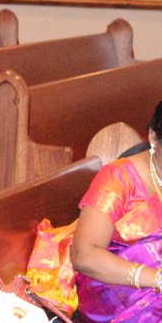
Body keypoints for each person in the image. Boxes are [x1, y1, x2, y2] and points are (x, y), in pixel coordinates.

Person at [71, 100, 162, 321]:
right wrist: (156, 279)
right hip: (115, 291)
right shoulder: (118, 178)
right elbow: (84, 255)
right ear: (153, 137)